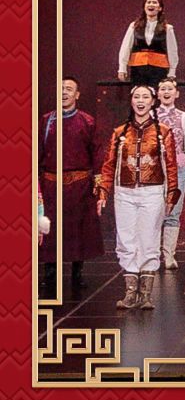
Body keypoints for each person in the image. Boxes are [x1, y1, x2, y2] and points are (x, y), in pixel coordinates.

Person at [97, 83, 179, 311]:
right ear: (131, 101)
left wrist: (171, 195)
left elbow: (171, 166)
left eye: (145, 97)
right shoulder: (120, 132)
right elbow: (109, 164)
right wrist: (103, 191)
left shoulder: (163, 132)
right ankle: (130, 293)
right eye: (137, 97)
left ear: (153, 101)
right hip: (124, 191)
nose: (141, 101)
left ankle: (145, 294)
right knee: (126, 240)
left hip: (153, 191)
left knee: (149, 239)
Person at [42, 77, 103, 300]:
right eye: (61, 89)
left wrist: (98, 183)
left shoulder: (87, 121)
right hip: (51, 184)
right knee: (50, 229)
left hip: (79, 185)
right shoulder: (46, 121)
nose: (64, 93)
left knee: (79, 230)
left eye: (69, 89)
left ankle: (78, 272)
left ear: (77, 95)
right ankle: (50, 272)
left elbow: (97, 152)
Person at [152, 77, 185, 270]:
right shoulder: (150, 115)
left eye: (170, 89)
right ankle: (152, 254)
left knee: (173, 212)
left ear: (176, 94)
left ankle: (169, 255)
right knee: (152, 212)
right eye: (163, 89)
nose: (166, 92)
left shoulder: (184, 117)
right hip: (153, 169)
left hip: (177, 169)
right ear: (158, 93)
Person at [117, 0, 178, 90]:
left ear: (160, 8)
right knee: (138, 93)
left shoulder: (167, 28)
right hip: (138, 68)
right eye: (148, 2)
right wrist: (122, 67)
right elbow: (126, 47)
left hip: (159, 69)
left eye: (154, 2)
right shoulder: (134, 26)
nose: (151, 4)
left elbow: (172, 51)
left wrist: (172, 72)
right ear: (144, 7)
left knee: (156, 94)